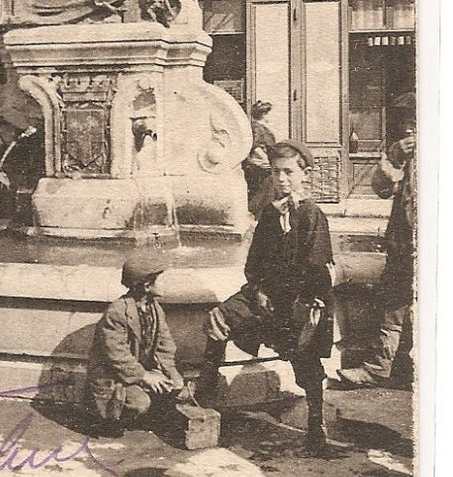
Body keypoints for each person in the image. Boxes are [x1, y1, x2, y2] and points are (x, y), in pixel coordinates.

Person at [197, 141, 337, 458]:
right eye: (276, 172)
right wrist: (258, 288)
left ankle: (316, 422)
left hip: (302, 302)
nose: (282, 179)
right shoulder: (271, 215)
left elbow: (316, 268)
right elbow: (254, 262)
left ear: (305, 174)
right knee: (219, 318)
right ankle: (205, 394)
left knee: (307, 363)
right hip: (267, 295)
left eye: (289, 172)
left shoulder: (313, 216)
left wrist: (308, 305)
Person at [339, 96, 416, 389]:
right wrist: (395, 158)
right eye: (407, 125)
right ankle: (378, 368)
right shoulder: (404, 154)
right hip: (403, 245)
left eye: (414, 123)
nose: (410, 131)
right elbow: (382, 189)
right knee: (393, 308)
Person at [85, 251, 185, 438]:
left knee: (176, 388)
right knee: (140, 403)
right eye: (160, 279)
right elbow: (117, 356)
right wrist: (145, 376)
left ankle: (146, 413)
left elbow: (165, 346)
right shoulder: (117, 311)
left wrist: (172, 373)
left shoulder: (155, 309)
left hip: (135, 371)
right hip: (112, 376)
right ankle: (107, 420)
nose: (166, 283)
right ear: (147, 285)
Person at [243, 100, 276, 215]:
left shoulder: (261, 127)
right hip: (259, 167)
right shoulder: (256, 128)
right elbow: (256, 148)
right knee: (261, 192)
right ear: (264, 114)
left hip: (261, 166)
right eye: (269, 113)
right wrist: (266, 161)